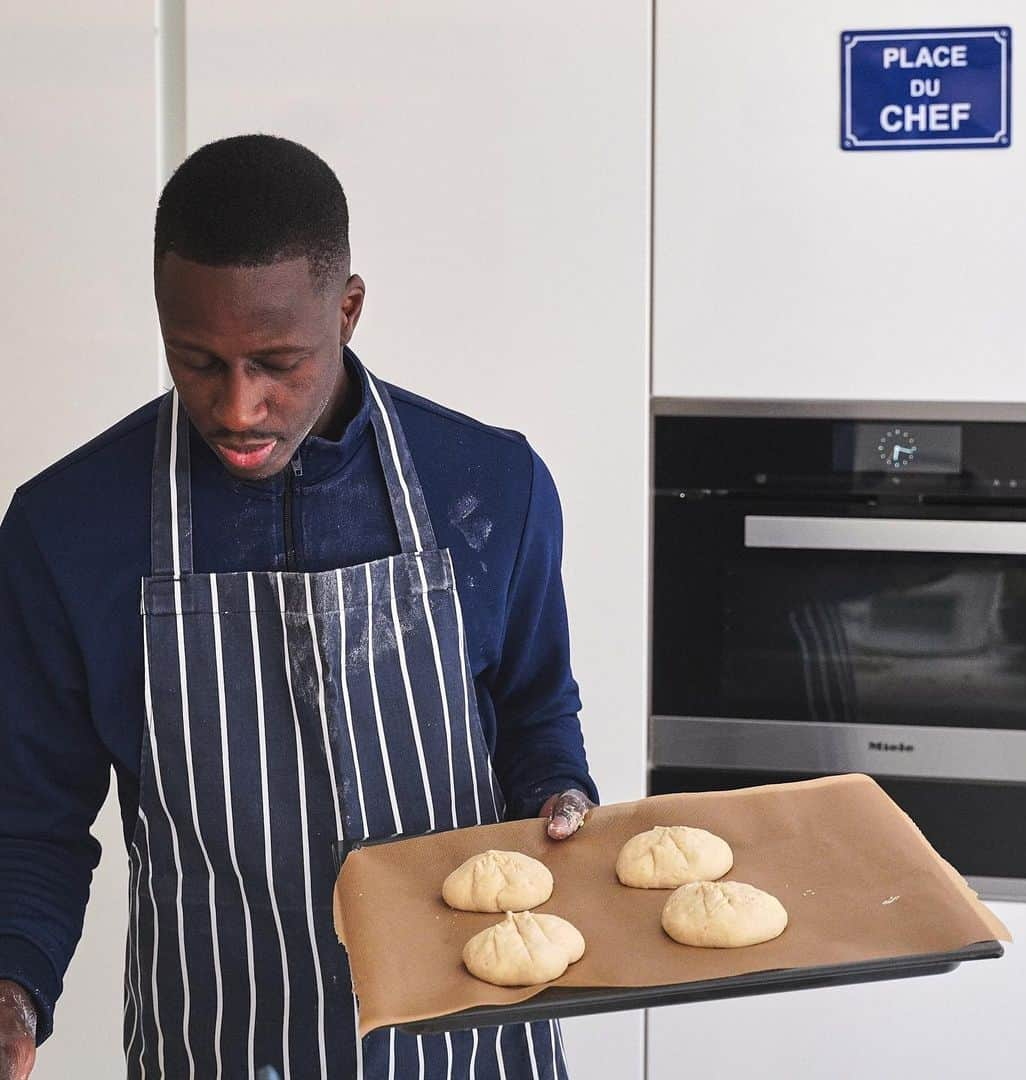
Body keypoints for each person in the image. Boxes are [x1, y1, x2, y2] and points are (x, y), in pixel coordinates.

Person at [0, 134, 597, 1079]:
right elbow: (29, 817)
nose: (239, 407)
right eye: (196, 360)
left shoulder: (491, 487)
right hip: (220, 1042)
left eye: (278, 361)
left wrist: (562, 803)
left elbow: (534, 715)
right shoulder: (68, 528)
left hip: (469, 1042)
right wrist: (15, 990)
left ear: (348, 308)